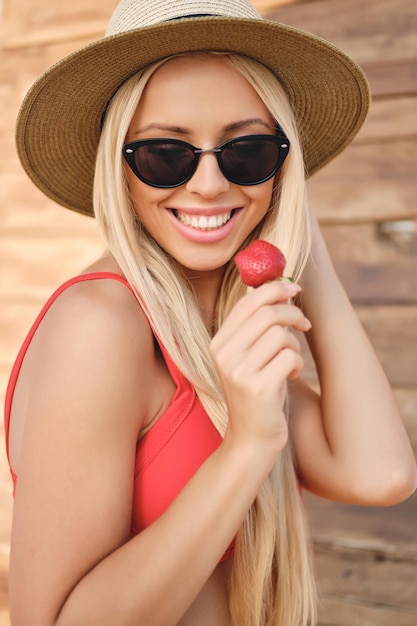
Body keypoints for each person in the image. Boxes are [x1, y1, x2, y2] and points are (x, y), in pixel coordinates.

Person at [4, 1, 416, 625]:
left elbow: (380, 473)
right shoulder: (100, 323)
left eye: (247, 152)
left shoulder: (224, 325)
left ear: (282, 169)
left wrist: (307, 255)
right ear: (118, 168)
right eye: (165, 154)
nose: (208, 185)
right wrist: (247, 445)